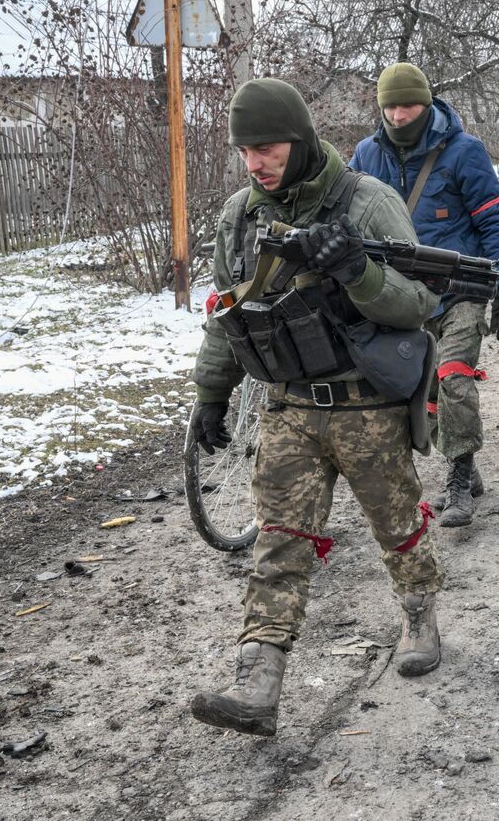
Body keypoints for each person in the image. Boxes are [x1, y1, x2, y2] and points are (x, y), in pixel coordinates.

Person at [188, 78, 444, 737]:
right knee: (279, 538)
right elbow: (226, 311)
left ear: (299, 141)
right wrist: (210, 393)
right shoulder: (240, 215)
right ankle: (257, 681)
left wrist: (359, 272)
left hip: (366, 406)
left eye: (266, 147)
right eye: (244, 151)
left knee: (397, 524)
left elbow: (420, 305)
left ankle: (418, 613)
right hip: (290, 407)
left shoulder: (366, 203)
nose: (255, 163)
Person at [349, 63, 499, 527]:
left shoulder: (465, 152)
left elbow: (493, 222)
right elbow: (342, 213)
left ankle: (458, 478)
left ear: (427, 103)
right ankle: (464, 457)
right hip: (402, 295)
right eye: (390, 105)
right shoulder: (366, 154)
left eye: (407, 104)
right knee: (421, 390)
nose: (399, 114)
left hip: (462, 288)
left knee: (453, 377)